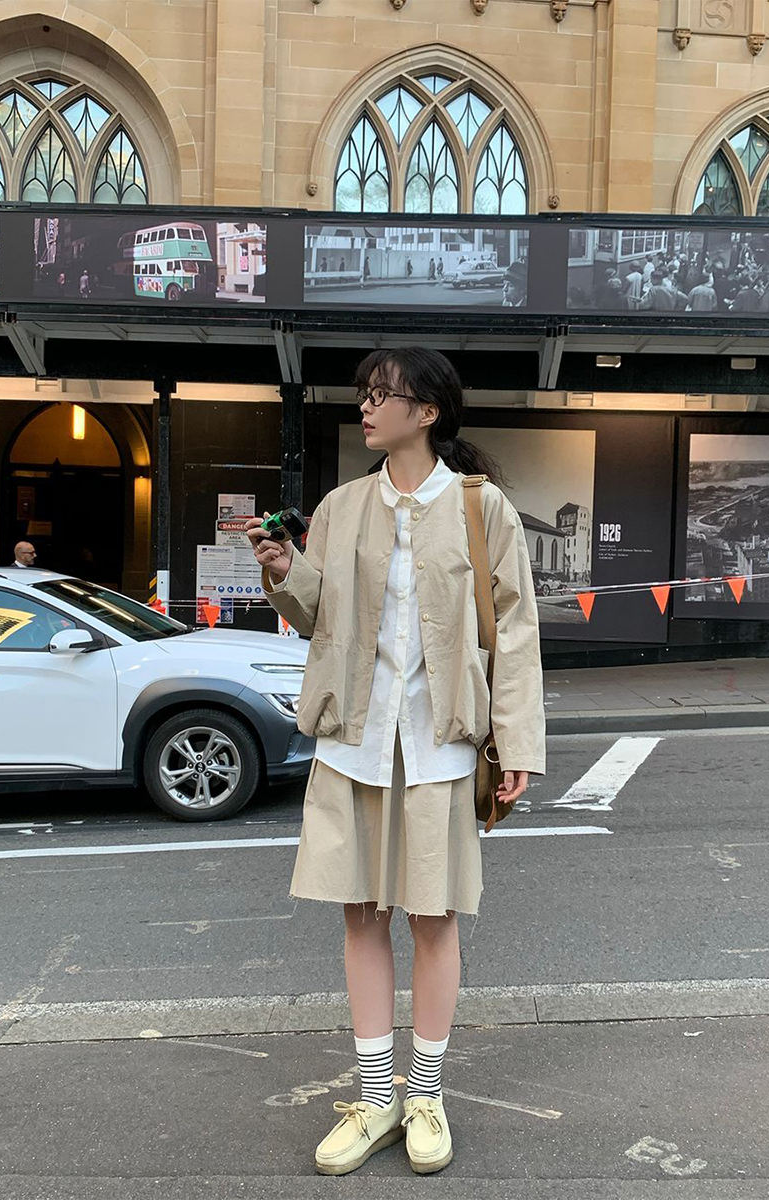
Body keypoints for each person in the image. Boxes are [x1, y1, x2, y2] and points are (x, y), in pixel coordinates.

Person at [247, 346, 545, 1177]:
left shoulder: (483, 508)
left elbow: (516, 630)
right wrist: (285, 573)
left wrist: (518, 742)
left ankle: (427, 1097)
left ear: (429, 412)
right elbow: (318, 614)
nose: (367, 407)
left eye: (383, 395)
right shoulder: (342, 506)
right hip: (356, 740)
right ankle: (377, 1097)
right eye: (365, 394)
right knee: (361, 918)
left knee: (435, 919)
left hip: (441, 744)